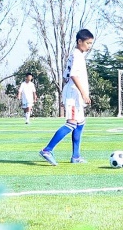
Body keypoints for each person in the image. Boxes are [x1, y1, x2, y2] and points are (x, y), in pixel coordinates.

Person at [39, 29, 94, 165]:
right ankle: (47, 149)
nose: (89, 46)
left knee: (80, 123)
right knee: (72, 123)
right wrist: (83, 93)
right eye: (87, 43)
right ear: (79, 41)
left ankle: (76, 156)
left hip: (73, 93)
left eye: (91, 43)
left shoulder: (75, 55)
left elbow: (65, 77)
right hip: (73, 95)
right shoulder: (77, 55)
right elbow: (73, 75)